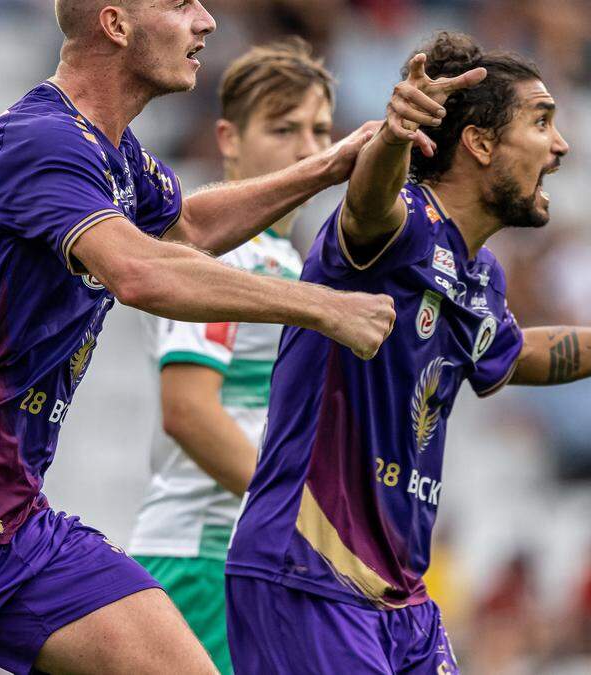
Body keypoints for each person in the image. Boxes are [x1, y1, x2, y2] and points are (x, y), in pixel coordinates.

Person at [0, 1, 413, 673]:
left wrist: (330, 167)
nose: (205, 21)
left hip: (16, 516)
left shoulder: (117, 156)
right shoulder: (39, 139)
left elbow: (187, 230)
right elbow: (139, 269)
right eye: (179, 4)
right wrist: (319, 307)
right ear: (115, 24)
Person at [224, 31, 591, 673]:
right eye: (542, 122)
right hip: (308, 574)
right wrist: (394, 136)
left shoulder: (480, 276)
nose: (561, 146)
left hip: (401, 600)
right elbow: (366, 204)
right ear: (479, 143)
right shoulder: (396, 225)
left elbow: (518, 356)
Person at [126, 38, 335, 674]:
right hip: (201, 557)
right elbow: (188, 410)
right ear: (228, 139)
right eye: (283, 127)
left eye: (322, 129)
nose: (309, 148)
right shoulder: (223, 259)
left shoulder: (290, 265)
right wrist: (302, 519)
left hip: (243, 553)